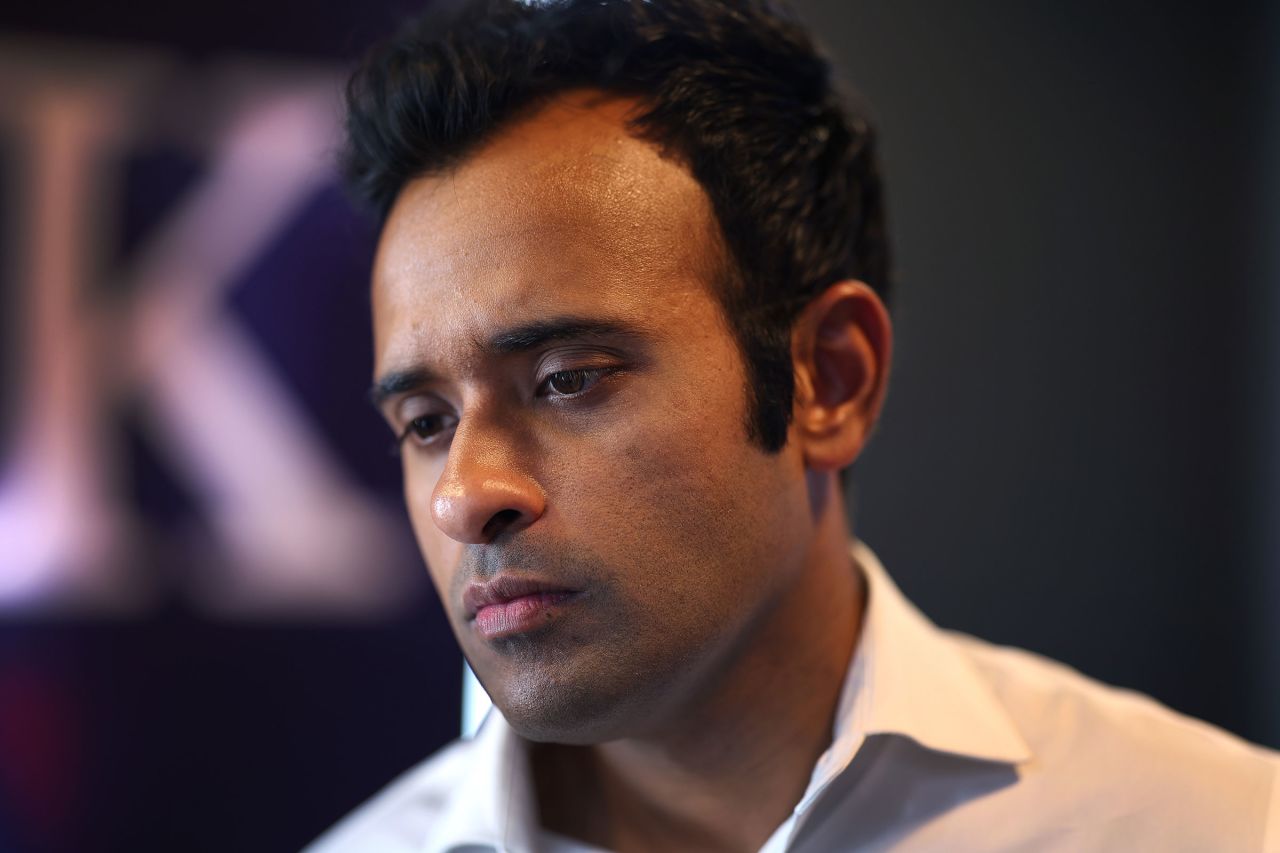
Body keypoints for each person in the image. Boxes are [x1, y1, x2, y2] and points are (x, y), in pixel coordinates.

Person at [307, 1, 1279, 850]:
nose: (464, 494)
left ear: (828, 379)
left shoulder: (1205, 826)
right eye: (426, 420)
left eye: (565, 380)